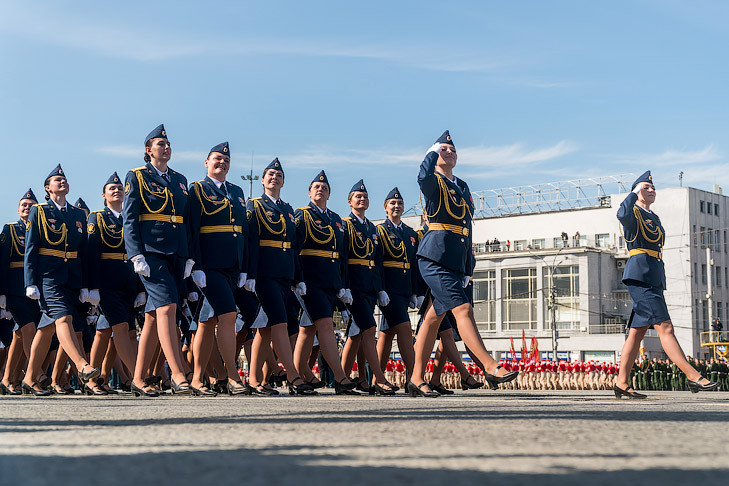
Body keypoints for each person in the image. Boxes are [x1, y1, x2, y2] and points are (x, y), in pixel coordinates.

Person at [410, 131, 517, 397]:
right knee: (463, 309)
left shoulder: (463, 185)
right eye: (443, 149)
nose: (449, 152)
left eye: (452, 149)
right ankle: (490, 366)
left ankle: (415, 378)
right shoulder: (433, 180)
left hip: (455, 260)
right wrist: (431, 153)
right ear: (434, 154)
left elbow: (466, 227)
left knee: (432, 320)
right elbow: (421, 177)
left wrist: (468, 267)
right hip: (434, 257)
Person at [614, 171, 719, 398]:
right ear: (637, 192)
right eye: (646, 187)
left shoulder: (655, 217)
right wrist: (633, 193)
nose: (651, 190)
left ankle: (621, 382)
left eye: (652, 188)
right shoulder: (632, 213)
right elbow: (620, 214)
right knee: (666, 327)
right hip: (639, 275)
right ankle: (693, 376)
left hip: (653, 275)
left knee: (636, 333)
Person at [123, 124, 195, 396]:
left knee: (154, 317)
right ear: (148, 150)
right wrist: (136, 253)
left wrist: (188, 255)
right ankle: (177, 374)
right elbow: (130, 218)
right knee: (167, 309)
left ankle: (138, 378)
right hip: (151, 252)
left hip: (175, 252)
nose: (165, 147)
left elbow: (184, 220)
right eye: (159, 144)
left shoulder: (179, 179)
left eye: (167, 144)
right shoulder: (137, 176)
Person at [22, 164, 100, 396]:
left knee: (46, 328)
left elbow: (84, 251)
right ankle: (81, 365)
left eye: (64, 180)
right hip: (48, 277)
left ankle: (29, 378)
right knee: (63, 318)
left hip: (71, 278)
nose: (62, 182)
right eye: (57, 180)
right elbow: (31, 247)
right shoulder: (40, 211)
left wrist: (87, 284)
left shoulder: (77, 214)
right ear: (48, 188)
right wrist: (30, 281)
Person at [245, 158, 314, 396]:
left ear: (283, 182)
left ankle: (256, 379)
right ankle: (293, 376)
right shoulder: (253, 205)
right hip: (264, 274)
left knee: (265, 329)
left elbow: (293, 246)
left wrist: (299, 277)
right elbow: (251, 243)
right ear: (262, 180)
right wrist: (250, 274)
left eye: (279, 175)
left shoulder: (287, 209)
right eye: (270, 174)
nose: (275, 178)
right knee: (280, 323)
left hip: (284, 273)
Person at [188, 142, 251, 396]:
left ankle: (197, 379)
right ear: (206, 163)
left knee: (206, 322)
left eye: (226, 160)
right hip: (209, 266)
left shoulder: (236, 191)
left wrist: (244, 267)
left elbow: (243, 231)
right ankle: (232, 377)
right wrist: (196, 265)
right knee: (228, 316)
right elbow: (191, 229)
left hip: (232, 265)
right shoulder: (197, 189)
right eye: (217, 159)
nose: (222, 162)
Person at [291, 170, 357, 394]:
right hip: (310, 281)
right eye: (316, 187)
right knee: (325, 326)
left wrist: (343, 285)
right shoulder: (301, 215)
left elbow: (342, 256)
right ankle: (340, 378)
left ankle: (297, 378)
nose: (320, 190)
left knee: (307, 330)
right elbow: (295, 249)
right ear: (309, 192)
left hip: (330, 281)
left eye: (325, 188)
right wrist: (297, 279)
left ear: (329, 194)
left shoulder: (337, 220)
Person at [85, 172, 146, 395]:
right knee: (120, 328)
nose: (117, 190)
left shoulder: (131, 218)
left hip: (128, 283)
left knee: (112, 332)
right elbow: (92, 254)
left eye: (120, 188)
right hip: (107, 283)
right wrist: (92, 287)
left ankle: (95, 378)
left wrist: (140, 289)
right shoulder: (97, 218)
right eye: (112, 188)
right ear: (103, 195)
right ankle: (137, 377)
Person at [339, 180, 396, 395]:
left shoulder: (372, 228)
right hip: (354, 287)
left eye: (364, 197)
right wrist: (344, 288)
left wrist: (380, 288)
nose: (362, 199)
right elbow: (343, 258)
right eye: (357, 197)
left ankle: (346, 378)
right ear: (349, 201)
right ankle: (379, 379)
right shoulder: (345, 225)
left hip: (370, 286)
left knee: (357, 335)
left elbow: (377, 260)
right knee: (369, 329)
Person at [375, 187, 421, 386]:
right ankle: (415, 377)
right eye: (392, 203)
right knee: (404, 328)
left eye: (400, 203)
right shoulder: (379, 230)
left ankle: (377, 379)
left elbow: (414, 265)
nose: (396, 206)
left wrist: (415, 292)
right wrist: (380, 288)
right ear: (385, 208)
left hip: (403, 289)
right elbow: (376, 262)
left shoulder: (411, 234)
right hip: (388, 290)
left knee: (386, 334)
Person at [0, 189, 42, 395]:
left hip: (34, 289)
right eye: (24, 205)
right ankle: (36, 374)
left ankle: (8, 379)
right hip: (14, 290)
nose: (27, 208)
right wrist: (1, 293)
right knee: (28, 328)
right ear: (18, 209)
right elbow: (1, 263)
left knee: (18, 335)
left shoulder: (42, 230)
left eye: (31, 205)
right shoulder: (9, 229)